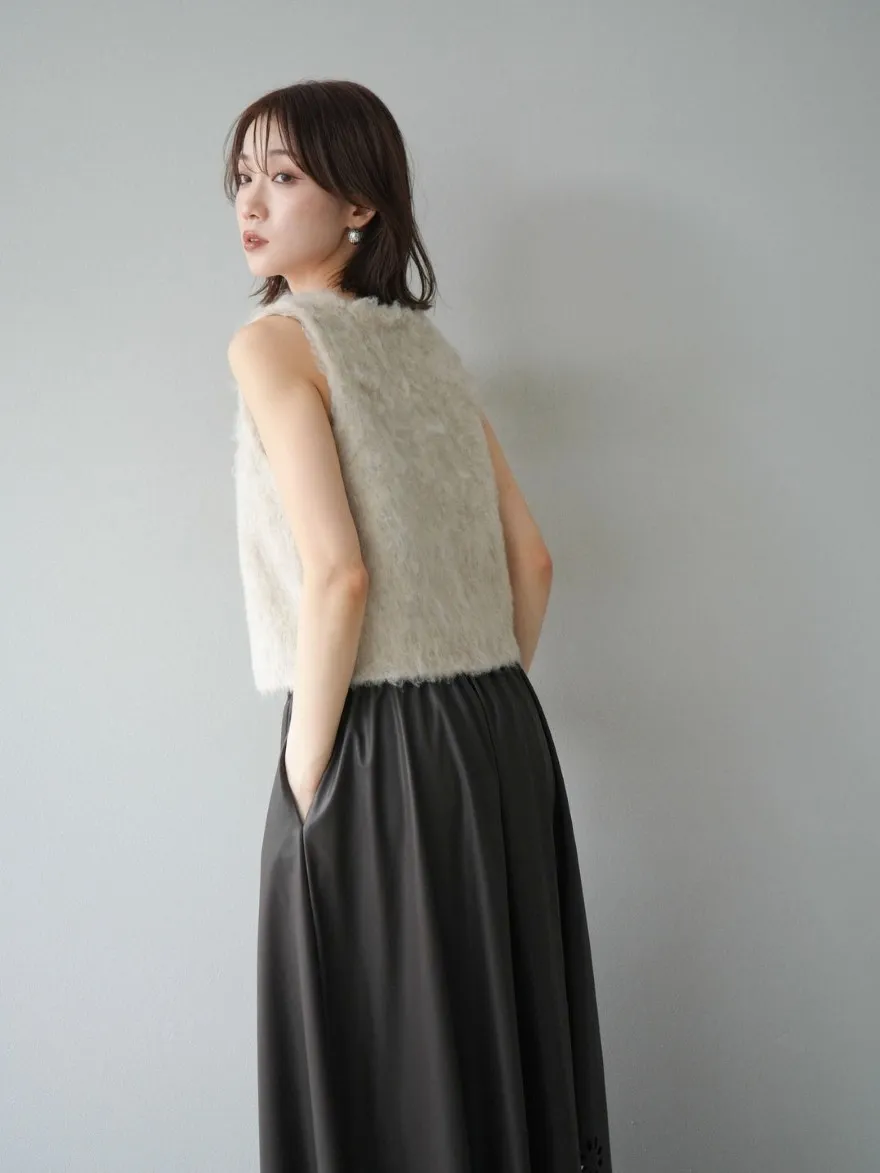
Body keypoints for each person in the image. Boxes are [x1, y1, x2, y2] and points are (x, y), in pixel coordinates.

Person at [224, 78, 612, 1173]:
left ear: (361, 204)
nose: (251, 201)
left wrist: (308, 773)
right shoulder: (429, 351)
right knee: (494, 1040)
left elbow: (337, 574)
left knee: (381, 1061)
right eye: (242, 176)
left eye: (283, 175)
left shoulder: (273, 344)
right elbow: (533, 562)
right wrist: (476, 697)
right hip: (499, 729)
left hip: (371, 738)